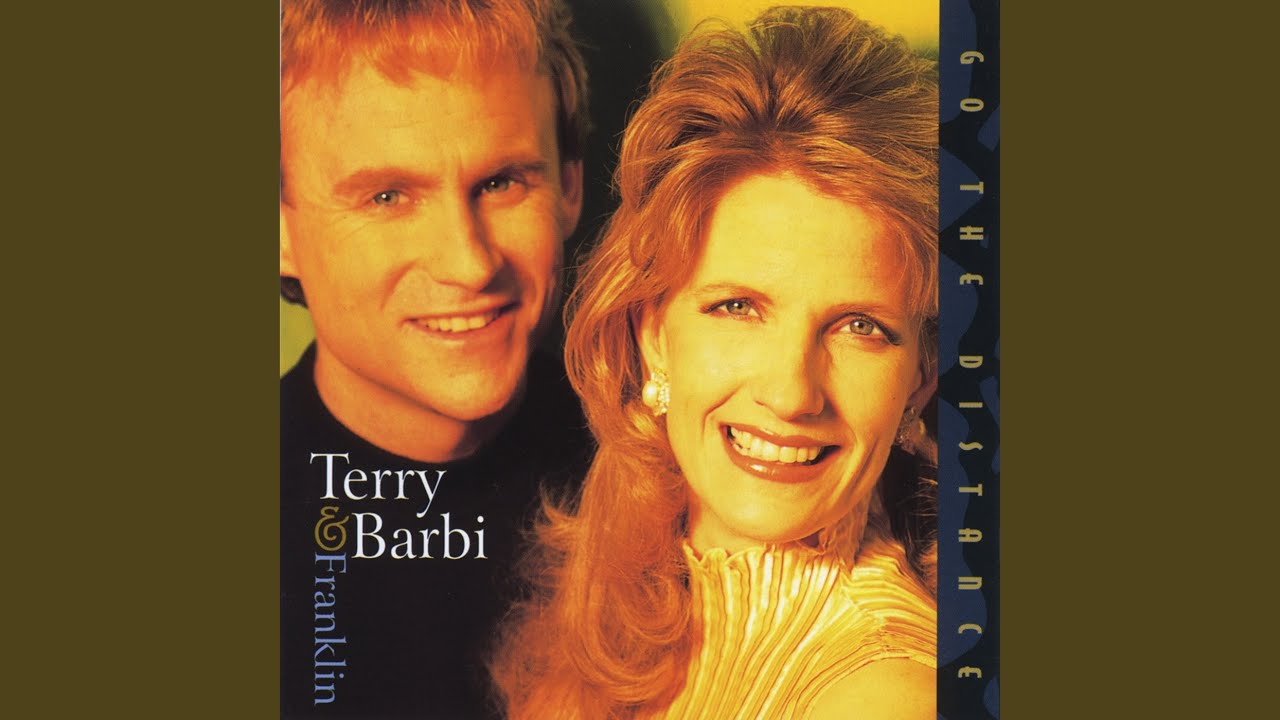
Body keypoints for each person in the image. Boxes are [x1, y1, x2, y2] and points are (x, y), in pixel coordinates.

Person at [494, 7, 939, 719]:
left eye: (860, 326)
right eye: (738, 307)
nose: (791, 392)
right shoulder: (627, 562)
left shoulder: (888, 695)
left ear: (919, 378)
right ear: (652, 332)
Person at [277, 1, 591, 717]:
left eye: (502, 182)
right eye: (388, 197)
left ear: (570, 186)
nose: (469, 262)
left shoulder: (672, 480)